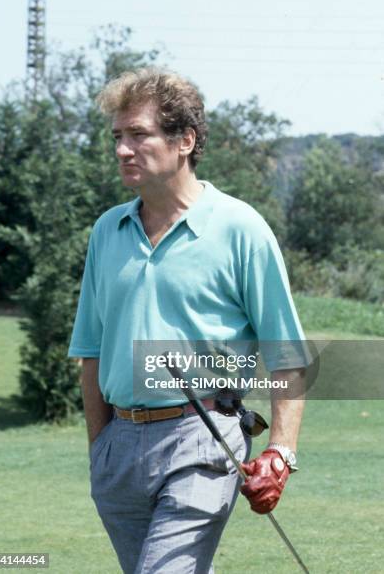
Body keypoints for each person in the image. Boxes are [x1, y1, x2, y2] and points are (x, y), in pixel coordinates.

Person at [68, 67, 306, 574]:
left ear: (185, 140)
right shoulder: (107, 231)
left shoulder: (241, 229)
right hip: (120, 449)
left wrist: (280, 451)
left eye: (139, 134)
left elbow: (287, 354)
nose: (122, 149)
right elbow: (90, 349)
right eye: (117, 136)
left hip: (204, 439)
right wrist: (101, 446)